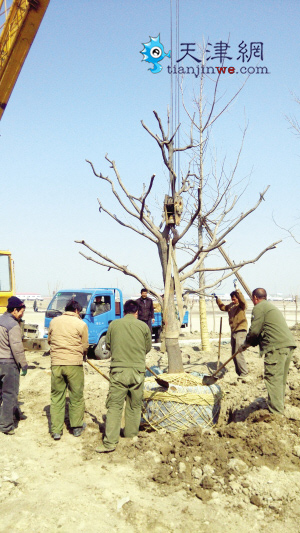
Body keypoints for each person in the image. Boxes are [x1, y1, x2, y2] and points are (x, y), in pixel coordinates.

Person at [96, 299, 152, 453]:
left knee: (114, 406)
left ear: (124, 311)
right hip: (137, 372)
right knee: (134, 405)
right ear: (137, 312)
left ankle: (110, 443)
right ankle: (130, 436)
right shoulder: (143, 326)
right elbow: (147, 348)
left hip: (118, 372)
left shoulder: (114, 325)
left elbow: (108, 345)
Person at [240, 288, 296, 415]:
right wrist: (250, 343)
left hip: (276, 347)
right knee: (280, 379)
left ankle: (276, 413)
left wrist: (246, 343)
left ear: (255, 297)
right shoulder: (270, 306)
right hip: (287, 345)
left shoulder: (259, 307)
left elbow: (254, 331)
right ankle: (279, 407)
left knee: (273, 379)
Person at [48, 299, 89, 440]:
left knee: (57, 398)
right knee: (76, 396)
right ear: (77, 311)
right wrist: (82, 354)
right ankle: (76, 427)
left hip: (57, 364)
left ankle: (56, 431)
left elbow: (49, 340)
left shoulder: (54, 322)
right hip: (74, 365)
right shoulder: (81, 324)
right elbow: (85, 346)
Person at [0, 296, 28, 435]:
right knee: (9, 395)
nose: (22, 314)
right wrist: (24, 365)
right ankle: (6, 426)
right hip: (9, 364)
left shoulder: (0, 320)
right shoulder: (13, 325)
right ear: (15, 310)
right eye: (22, 311)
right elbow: (17, 348)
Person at [214, 289, 248, 377]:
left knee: (238, 352)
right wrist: (217, 299)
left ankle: (244, 373)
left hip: (241, 331)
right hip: (233, 331)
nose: (233, 300)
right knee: (234, 353)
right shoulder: (231, 306)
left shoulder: (241, 306)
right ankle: (239, 373)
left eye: (235, 299)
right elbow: (223, 307)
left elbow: (242, 301)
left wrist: (238, 292)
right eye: (232, 299)